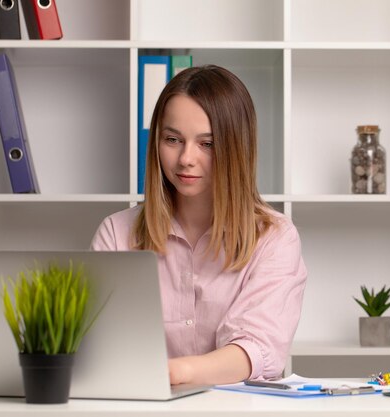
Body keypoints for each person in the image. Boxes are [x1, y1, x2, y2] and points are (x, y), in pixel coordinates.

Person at [90, 65, 307, 386]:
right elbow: (96, 342)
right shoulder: (116, 233)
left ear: (237, 148)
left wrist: (173, 372)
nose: (185, 159)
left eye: (207, 144)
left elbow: (257, 349)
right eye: (173, 139)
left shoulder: (274, 237)